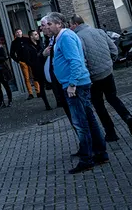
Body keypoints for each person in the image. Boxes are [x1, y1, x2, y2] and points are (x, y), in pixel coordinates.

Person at [42, 12, 108, 174]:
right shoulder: (61, 38)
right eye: (46, 25)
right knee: (89, 119)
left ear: (59, 24)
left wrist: (72, 84)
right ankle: (100, 153)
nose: (47, 28)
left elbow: (75, 61)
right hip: (75, 84)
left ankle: (87, 158)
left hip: (75, 86)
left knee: (81, 123)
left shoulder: (65, 37)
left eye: (49, 24)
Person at [69, 15, 132, 142]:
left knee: (99, 105)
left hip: (93, 77)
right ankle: (127, 116)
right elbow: (114, 49)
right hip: (107, 72)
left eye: (70, 25)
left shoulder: (78, 38)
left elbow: (81, 59)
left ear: (75, 24)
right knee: (113, 98)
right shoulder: (99, 31)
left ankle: (111, 133)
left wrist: (85, 74)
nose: (70, 27)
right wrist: (110, 63)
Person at [25, 29, 53, 111]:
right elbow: (27, 60)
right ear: (31, 37)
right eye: (35, 34)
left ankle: (58, 101)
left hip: (45, 66)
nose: (37, 35)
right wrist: (34, 64)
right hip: (37, 69)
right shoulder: (28, 47)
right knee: (41, 85)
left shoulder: (40, 43)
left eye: (37, 34)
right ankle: (46, 104)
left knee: (51, 82)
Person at [10, 28, 39, 99]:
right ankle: (30, 93)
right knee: (27, 78)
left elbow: (33, 46)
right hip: (23, 61)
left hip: (30, 60)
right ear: (15, 34)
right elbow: (12, 54)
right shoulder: (14, 43)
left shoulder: (26, 39)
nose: (19, 33)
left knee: (34, 75)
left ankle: (38, 91)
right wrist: (18, 61)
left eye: (20, 31)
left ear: (21, 32)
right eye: (17, 32)